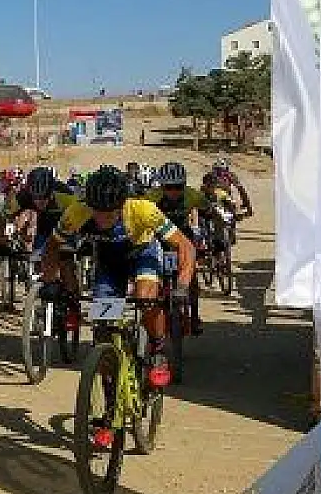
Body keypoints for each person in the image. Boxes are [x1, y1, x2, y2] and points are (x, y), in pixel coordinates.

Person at [39, 165, 196, 389]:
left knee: (146, 299)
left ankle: (158, 348)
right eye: (97, 211)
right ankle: (111, 391)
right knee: (102, 328)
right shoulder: (76, 212)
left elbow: (185, 246)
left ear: (123, 204)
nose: (102, 218)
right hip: (109, 261)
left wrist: (182, 285)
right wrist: (49, 281)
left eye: (110, 212)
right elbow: (53, 246)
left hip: (143, 253)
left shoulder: (143, 209)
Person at [146, 162, 221, 334]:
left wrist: (217, 238)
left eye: (178, 187)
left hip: (184, 238)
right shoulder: (151, 197)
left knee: (191, 277)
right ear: (161, 186)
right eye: (168, 187)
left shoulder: (192, 195)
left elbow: (213, 215)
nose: (173, 192)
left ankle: (194, 316)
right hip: (160, 239)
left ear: (184, 185)